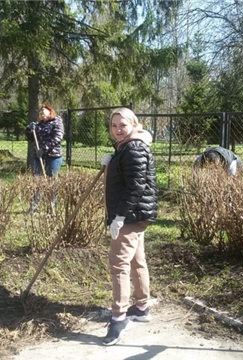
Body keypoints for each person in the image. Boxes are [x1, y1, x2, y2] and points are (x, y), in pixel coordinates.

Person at [99, 107, 158, 346]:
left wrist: (120, 217)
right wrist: (112, 161)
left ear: (134, 124)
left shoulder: (133, 148)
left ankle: (119, 317)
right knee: (136, 260)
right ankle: (142, 307)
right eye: (114, 126)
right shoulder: (126, 147)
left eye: (122, 125)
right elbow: (127, 177)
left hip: (130, 215)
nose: (118, 130)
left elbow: (136, 186)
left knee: (119, 265)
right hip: (134, 214)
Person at [25, 103, 65, 212]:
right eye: (40, 111)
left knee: (51, 181)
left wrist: (43, 149)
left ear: (50, 111)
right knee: (36, 180)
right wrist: (29, 129)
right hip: (38, 157)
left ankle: (51, 206)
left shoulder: (57, 122)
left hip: (53, 157)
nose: (41, 112)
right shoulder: (38, 125)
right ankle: (34, 206)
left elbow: (57, 138)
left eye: (44, 110)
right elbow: (29, 138)